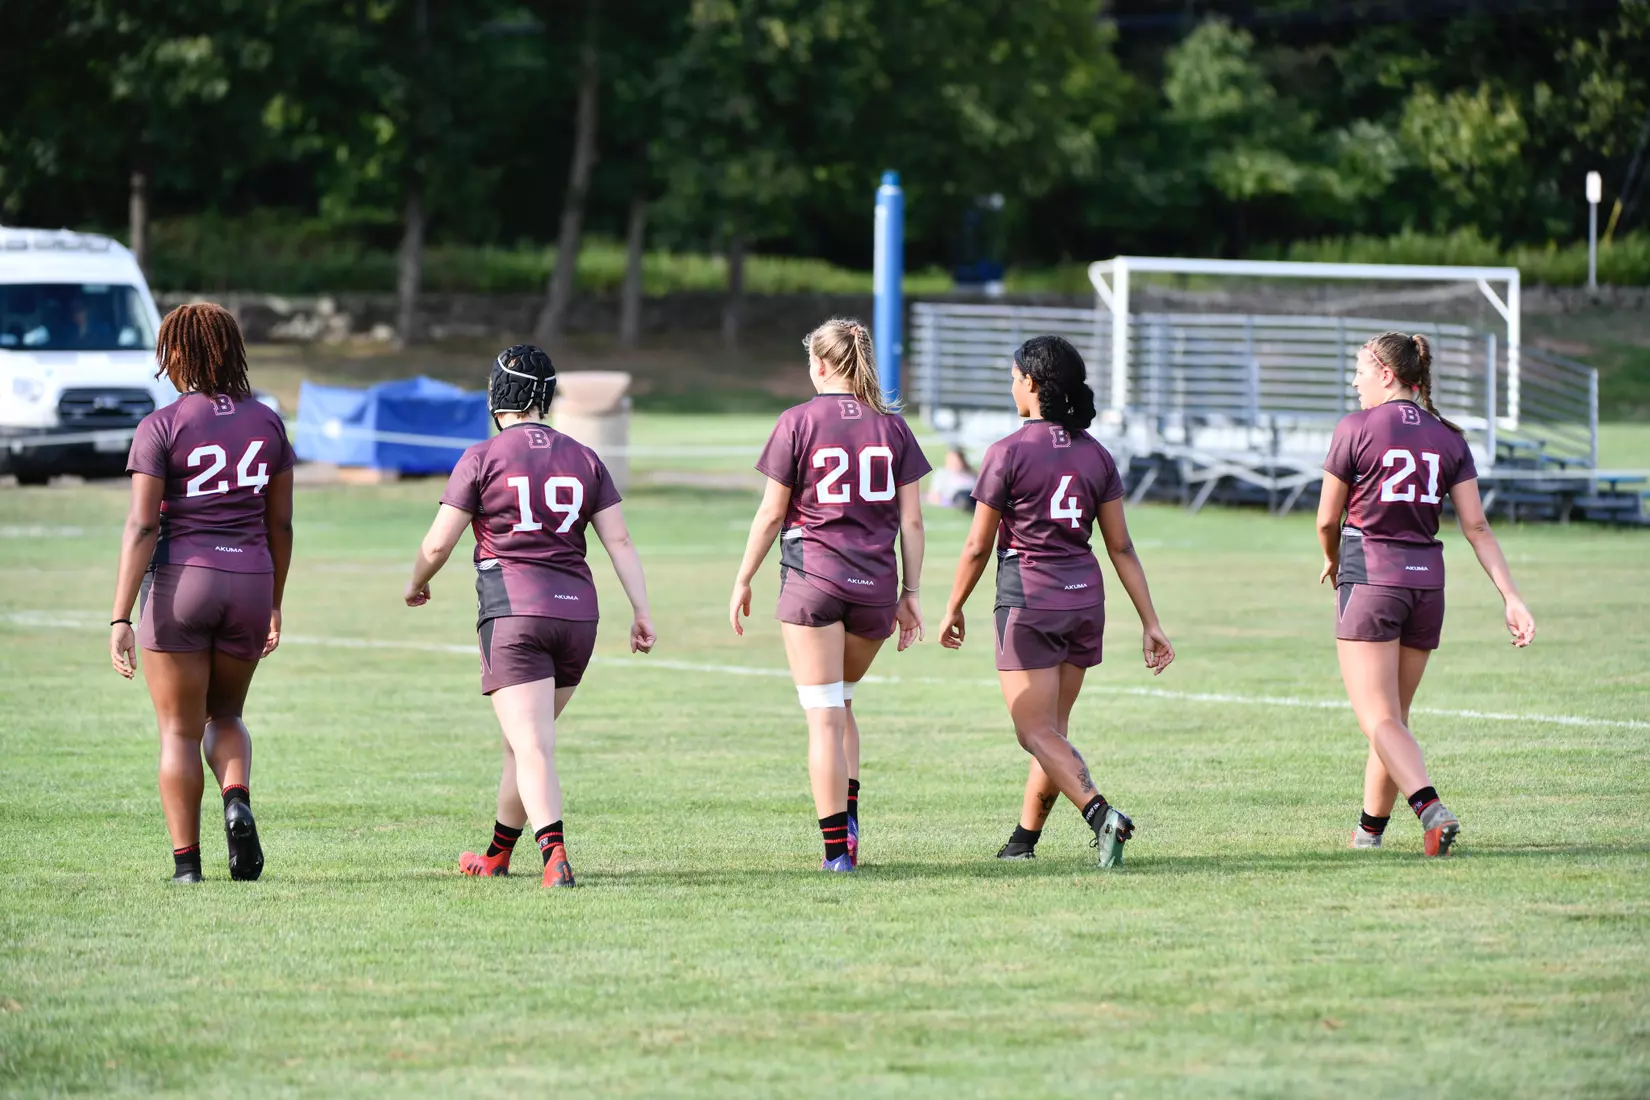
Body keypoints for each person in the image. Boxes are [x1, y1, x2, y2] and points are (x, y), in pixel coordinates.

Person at [404, 344, 654, 889]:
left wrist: (416, 581)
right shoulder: (585, 457)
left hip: (514, 614)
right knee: (523, 743)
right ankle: (496, 855)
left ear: (499, 395)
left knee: (533, 745)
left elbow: (439, 542)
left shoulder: (482, 456)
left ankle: (556, 857)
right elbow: (620, 541)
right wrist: (640, 609)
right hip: (577, 619)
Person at [938, 335, 1174, 868]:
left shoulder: (1007, 452)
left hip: (1029, 601)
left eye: (1014, 375)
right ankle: (1023, 841)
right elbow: (1121, 546)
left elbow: (977, 545)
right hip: (1085, 600)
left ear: (1034, 385)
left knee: (1034, 730)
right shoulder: (1096, 454)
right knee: (1053, 733)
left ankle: (1099, 814)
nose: (1011, 384)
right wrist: (1150, 622)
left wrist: (952, 606)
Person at [1319, 332, 1535, 856]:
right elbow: (1477, 526)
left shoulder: (1355, 428)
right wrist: (1511, 596)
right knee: (1393, 720)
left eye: (1361, 371)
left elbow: (1328, 518)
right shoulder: (1449, 437)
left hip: (1371, 579)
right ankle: (1368, 834)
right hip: (1427, 586)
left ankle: (1431, 809)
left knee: (1379, 720)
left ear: (1387, 374)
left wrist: (1330, 557)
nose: (1355, 382)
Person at [730, 318, 930, 872]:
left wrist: (744, 577)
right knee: (839, 702)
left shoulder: (797, 421)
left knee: (823, 715)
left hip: (813, 583)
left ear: (820, 364)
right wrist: (911, 593)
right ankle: (852, 820)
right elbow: (912, 524)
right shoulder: (893, 429)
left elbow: (772, 513)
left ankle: (836, 852)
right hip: (875, 589)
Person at [108, 302, 294, 883]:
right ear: (230, 350)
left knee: (179, 731)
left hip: (180, 583)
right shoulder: (267, 421)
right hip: (250, 581)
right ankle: (235, 796)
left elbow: (142, 526)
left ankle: (187, 866)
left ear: (177, 354)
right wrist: (274, 601)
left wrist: (120, 617)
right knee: (228, 714)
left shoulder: (160, 425)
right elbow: (281, 525)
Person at [925, 445, 978, 511]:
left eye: (957, 460)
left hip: (971, 497)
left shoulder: (971, 473)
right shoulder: (942, 474)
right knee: (962, 498)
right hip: (957, 498)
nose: (955, 463)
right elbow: (934, 494)